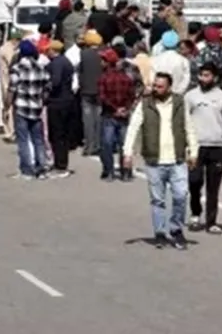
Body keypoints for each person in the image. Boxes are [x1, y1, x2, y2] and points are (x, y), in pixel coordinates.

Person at [123, 73, 198, 250]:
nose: (155, 89)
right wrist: (128, 153)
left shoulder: (179, 103)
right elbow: (133, 128)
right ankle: (160, 233)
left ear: (169, 88)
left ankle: (176, 229)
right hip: (154, 160)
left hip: (177, 159)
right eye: (154, 85)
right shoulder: (145, 104)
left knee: (181, 195)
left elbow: (189, 127)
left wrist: (193, 151)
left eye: (160, 86)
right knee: (158, 200)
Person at [185, 62, 222, 234]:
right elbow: (184, 121)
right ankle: (195, 214)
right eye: (201, 75)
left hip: (217, 147)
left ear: (214, 77)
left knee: (213, 187)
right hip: (196, 147)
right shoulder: (190, 96)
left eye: (207, 75)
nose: (203, 79)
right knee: (194, 181)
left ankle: (211, 221)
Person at [7, 39, 49, 180]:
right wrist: (41, 100)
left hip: (22, 107)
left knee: (23, 140)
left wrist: (6, 106)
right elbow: (47, 87)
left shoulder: (17, 68)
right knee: (38, 140)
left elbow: (12, 89)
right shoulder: (41, 68)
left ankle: (26, 170)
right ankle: (41, 168)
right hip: (36, 107)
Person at [97, 47, 137, 181]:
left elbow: (102, 97)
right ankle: (126, 171)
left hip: (109, 114)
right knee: (124, 144)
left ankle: (109, 171)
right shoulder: (126, 77)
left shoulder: (104, 78)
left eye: (102, 60)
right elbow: (132, 96)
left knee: (107, 144)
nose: (101, 63)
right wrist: (125, 108)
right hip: (124, 115)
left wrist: (115, 109)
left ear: (107, 62)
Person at [44, 40, 76, 176]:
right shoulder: (66, 62)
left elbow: (55, 82)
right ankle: (62, 162)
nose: (47, 52)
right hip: (67, 100)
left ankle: (60, 164)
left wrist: (45, 88)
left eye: (48, 50)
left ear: (54, 50)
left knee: (57, 134)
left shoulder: (56, 64)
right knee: (63, 134)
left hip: (57, 102)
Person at [76, 30, 104, 156]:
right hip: (100, 91)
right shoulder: (103, 54)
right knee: (99, 119)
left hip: (86, 90)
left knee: (87, 120)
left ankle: (89, 146)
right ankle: (98, 145)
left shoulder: (83, 54)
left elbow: (78, 71)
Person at [152, 30, 191, 95]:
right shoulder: (184, 61)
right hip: (176, 96)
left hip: (159, 95)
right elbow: (185, 81)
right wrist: (177, 93)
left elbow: (152, 79)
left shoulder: (155, 60)